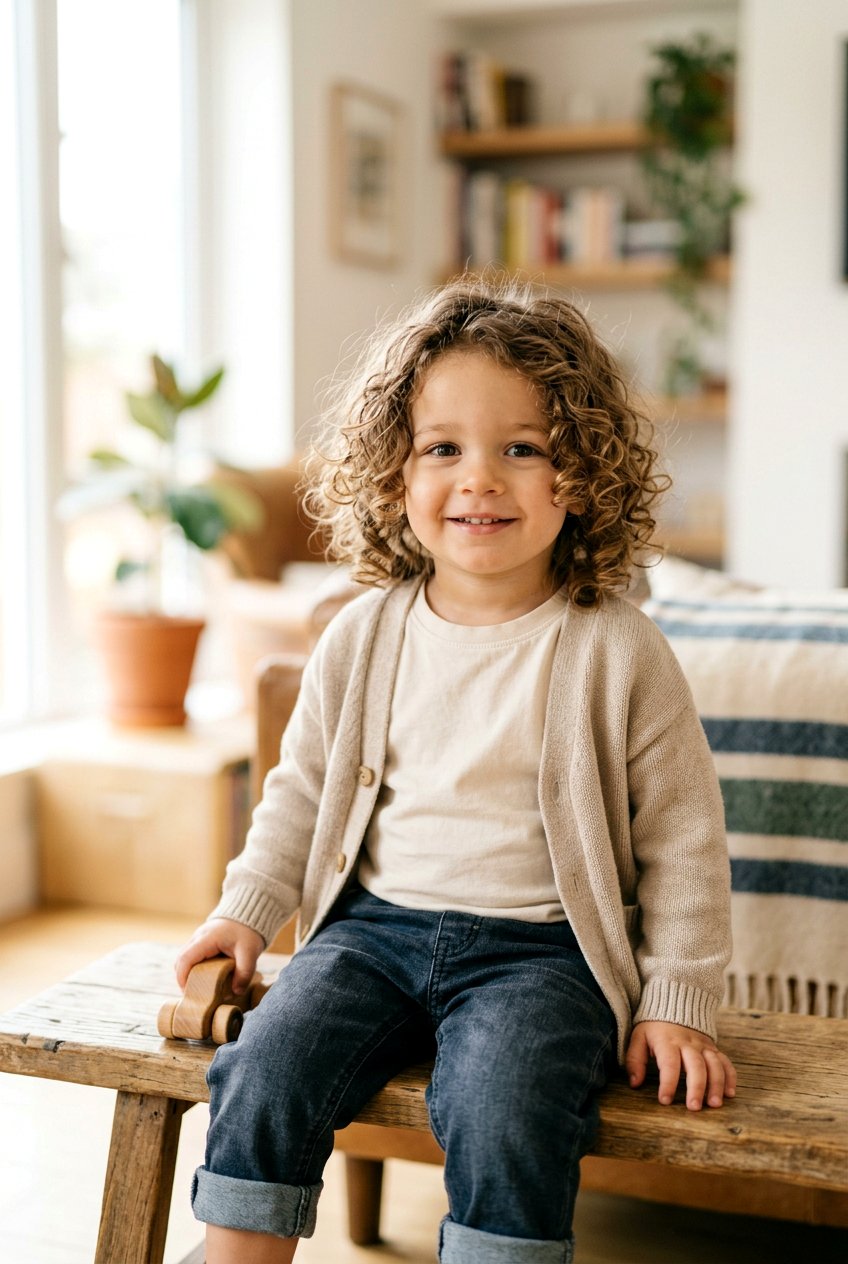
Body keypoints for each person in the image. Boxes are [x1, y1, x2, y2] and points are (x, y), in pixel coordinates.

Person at [177, 278, 736, 1264]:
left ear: (582, 474)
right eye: (442, 448)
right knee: (264, 1064)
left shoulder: (615, 646)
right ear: (395, 478)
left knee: (507, 1100)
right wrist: (246, 908)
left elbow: (682, 838)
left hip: (541, 952)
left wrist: (673, 999)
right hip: (369, 935)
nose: (479, 477)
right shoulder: (360, 632)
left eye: (520, 447)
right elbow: (300, 787)